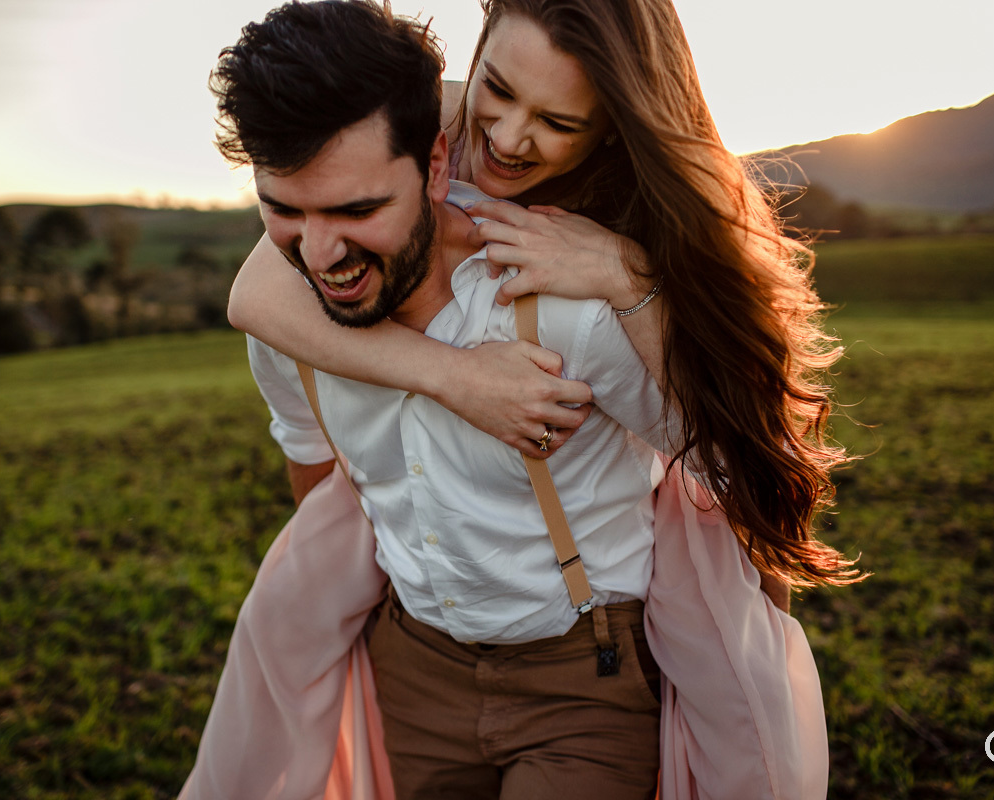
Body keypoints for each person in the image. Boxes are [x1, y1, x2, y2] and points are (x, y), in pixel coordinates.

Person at [182, 0, 857, 797]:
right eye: (495, 92)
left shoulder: (570, 296)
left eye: (556, 121)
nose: (502, 139)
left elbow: (741, 468)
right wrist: (454, 377)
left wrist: (752, 680)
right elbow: (314, 463)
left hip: (580, 676)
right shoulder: (310, 281)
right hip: (413, 667)